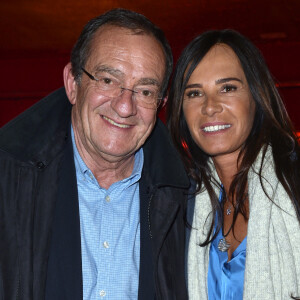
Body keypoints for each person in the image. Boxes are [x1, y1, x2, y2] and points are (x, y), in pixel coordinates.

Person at [0, 8, 190, 300]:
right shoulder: (8, 180)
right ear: (73, 84)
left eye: (145, 91)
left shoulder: (187, 197)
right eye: (107, 80)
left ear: (161, 103)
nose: (125, 106)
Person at [167, 29, 300, 299]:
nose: (210, 106)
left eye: (227, 88)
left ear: (256, 96)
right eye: (194, 93)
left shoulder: (294, 185)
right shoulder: (182, 205)